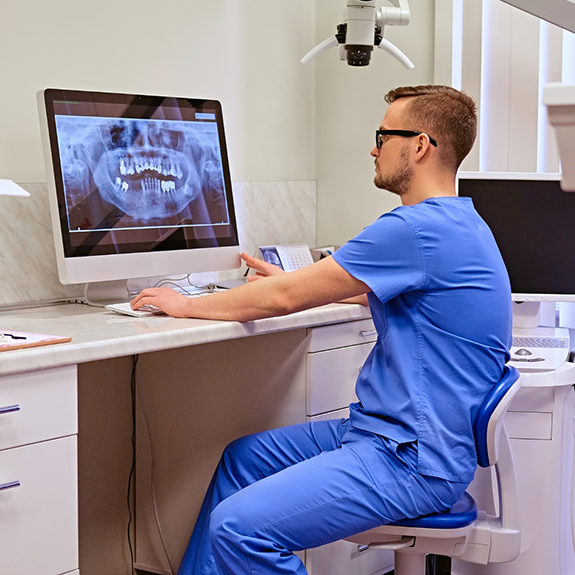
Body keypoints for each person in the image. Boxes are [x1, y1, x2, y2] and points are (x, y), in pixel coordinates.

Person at [131, 85, 512, 575]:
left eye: (383, 135)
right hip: (390, 436)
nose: (373, 148)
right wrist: (294, 281)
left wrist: (185, 305)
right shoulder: (463, 223)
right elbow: (397, 293)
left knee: (238, 527)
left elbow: (282, 300)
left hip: (412, 459)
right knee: (241, 460)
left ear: (419, 145)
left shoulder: (412, 228)